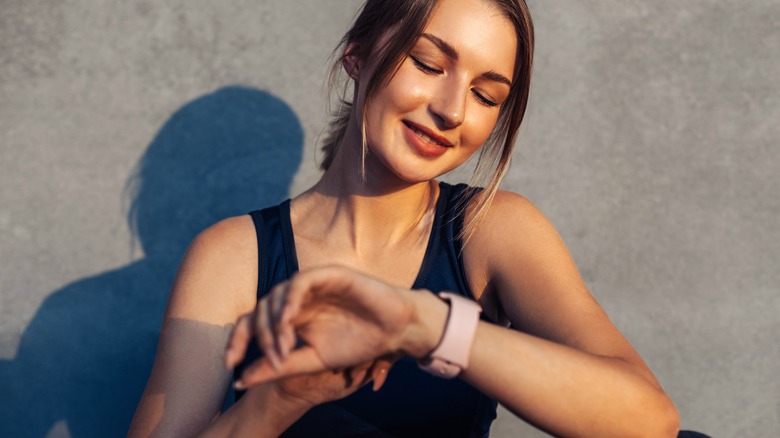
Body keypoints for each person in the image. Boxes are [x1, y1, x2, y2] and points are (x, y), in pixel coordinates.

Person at [130, 0, 681, 436]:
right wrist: (279, 400)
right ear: (358, 56)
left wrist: (423, 324)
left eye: (487, 96)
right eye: (428, 63)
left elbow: (649, 422)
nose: (453, 109)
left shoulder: (490, 230)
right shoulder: (234, 255)